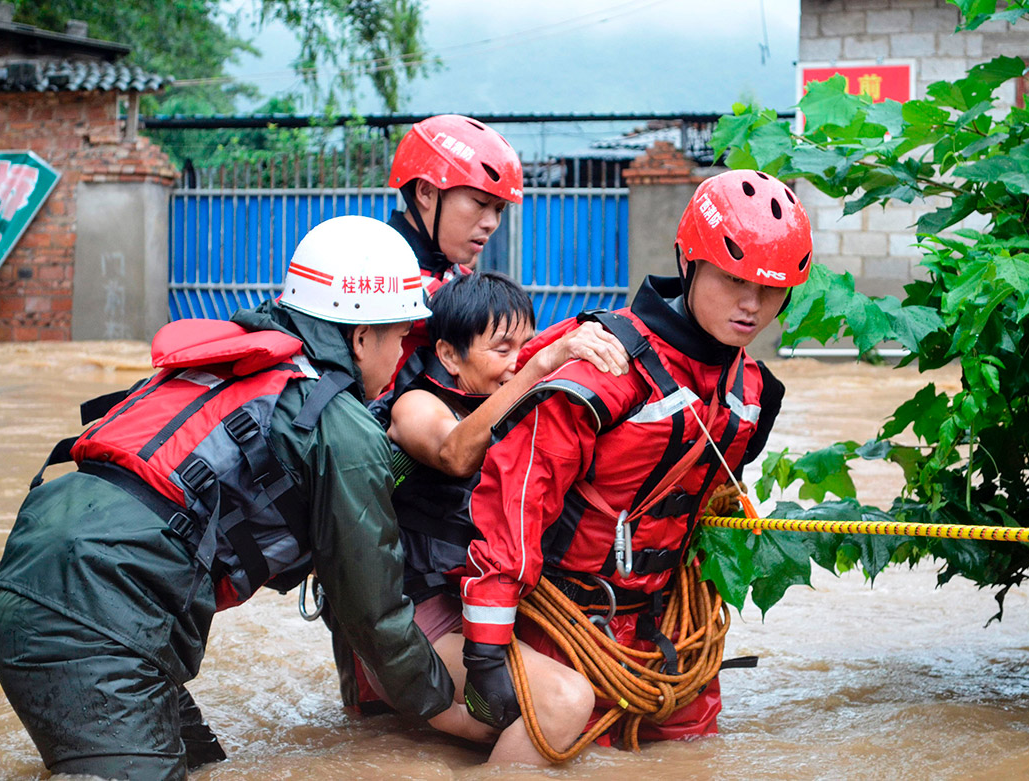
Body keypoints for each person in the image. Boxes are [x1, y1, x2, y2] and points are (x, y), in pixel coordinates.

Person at [0, 215, 487, 781]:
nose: (401, 357)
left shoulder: (246, 364)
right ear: (361, 336)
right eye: (399, 337)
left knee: (203, 767)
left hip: (41, 582)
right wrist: (445, 706)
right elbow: (372, 610)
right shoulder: (340, 429)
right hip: (93, 617)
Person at [457, 171, 813, 751]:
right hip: (563, 630)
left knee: (696, 756)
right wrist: (486, 649)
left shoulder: (753, 392)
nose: (752, 305)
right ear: (691, 263)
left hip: (666, 639)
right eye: (733, 280)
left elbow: (714, 513)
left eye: (771, 290)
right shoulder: (607, 363)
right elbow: (515, 500)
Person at [339, 270, 630, 764]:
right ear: (449, 354)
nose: (515, 361)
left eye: (525, 344)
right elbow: (455, 453)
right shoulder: (414, 406)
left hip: (472, 611)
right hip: (410, 624)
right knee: (566, 701)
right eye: (501, 349)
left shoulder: (522, 403)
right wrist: (541, 364)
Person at [384, 114, 524, 373]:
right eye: (480, 203)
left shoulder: (460, 279)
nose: (491, 223)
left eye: (499, 209)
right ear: (426, 192)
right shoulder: (369, 268)